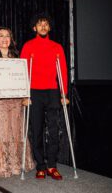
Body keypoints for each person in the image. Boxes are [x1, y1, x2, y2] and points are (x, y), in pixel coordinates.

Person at [0, 27, 35, 178]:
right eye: (1, 36)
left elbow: (24, 79)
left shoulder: (17, 58)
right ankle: (1, 165)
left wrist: (25, 96)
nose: (4, 39)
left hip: (15, 100)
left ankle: (16, 163)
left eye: (7, 36)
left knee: (16, 131)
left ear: (11, 39)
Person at [20, 13, 69, 180]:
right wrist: (24, 94)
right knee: (37, 129)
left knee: (54, 130)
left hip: (53, 91)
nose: (43, 27)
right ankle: (40, 165)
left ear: (49, 28)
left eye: (45, 24)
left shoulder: (57, 47)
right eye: (40, 24)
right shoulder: (28, 46)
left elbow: (62, 70)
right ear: (35, 27)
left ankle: (52, 165)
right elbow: (23, 71)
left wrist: (64, 94)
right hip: (34, 91)